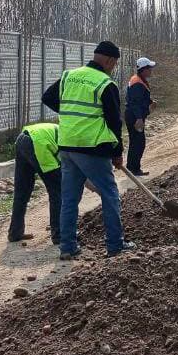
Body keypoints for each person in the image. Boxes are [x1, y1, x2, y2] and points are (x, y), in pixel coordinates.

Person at [42, 40, 135, 259]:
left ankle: (68, 247)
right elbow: (114, 122)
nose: (113, 68)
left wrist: (68, 111)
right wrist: (117, 153)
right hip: (92, 147)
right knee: (110, 193)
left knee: (69, 198)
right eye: (114, 64)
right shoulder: (105, 83)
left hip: (67, 146)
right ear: (110, 60)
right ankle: (115, 245)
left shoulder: (69, 76)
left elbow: (47, 97)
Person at [8, 121, 63, 244]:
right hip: (39, 143)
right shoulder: (75, 146)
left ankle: (15, 233)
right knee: (57, 191)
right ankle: (59, 234)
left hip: (22, 138)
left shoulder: (64, 132)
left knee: (22, 190)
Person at [124, 57, 157, 175]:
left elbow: (140, 98)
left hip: (134, 115)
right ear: (143, 69)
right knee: (138, 142)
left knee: (136, 142)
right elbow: (135, 103)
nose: (151, 71)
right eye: (149, 68)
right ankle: (134, 169)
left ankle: (132, 168)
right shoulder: (137, 82)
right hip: (134, 116)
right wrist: (139, 118)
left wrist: (150, 102)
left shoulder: (139, 80)